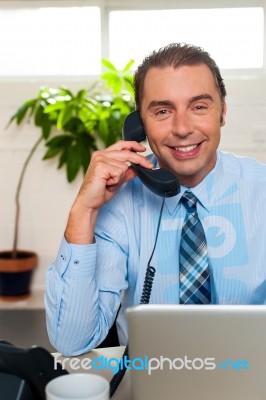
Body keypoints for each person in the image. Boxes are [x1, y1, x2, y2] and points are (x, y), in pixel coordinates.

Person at [45, 43, 266, 356]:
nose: (182, 129)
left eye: (199, 107)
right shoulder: (119, 203)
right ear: (139, 126)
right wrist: (83, 209)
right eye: (162, 111)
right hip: (153, 379)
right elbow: (72, 341)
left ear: (223, 112)